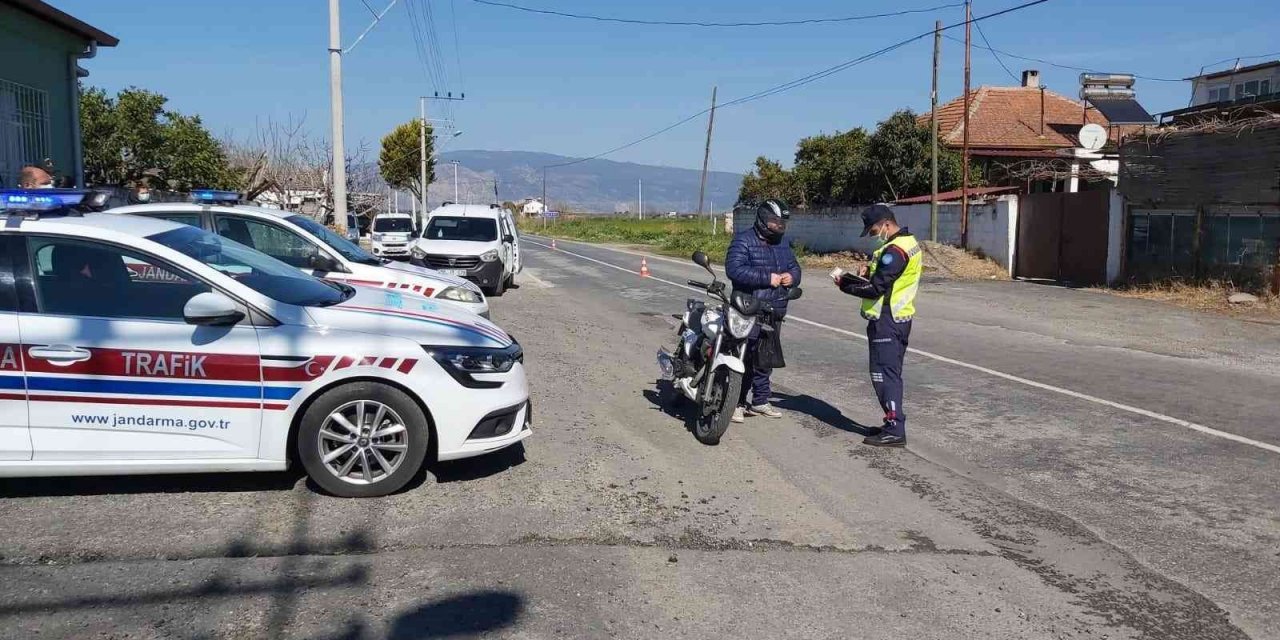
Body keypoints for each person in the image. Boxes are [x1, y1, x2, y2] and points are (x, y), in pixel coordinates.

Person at [834, 204, 922, 447]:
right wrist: (869, 269)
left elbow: (877, 288)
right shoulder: (907, 242)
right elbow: (889, 277)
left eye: (873, 231)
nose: (873, 235)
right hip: (899, 317)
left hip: (887, 320)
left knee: (884, 374)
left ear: (886, 224)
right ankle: (892, 422)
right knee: (889, 372)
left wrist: (845, 284)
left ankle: (895, 428)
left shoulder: (894, 251)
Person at [725, 199, 801, 423]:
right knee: (743, 358)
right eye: (775, 222)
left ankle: (760, 401)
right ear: (763, 220)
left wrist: (792, 277)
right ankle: (736, 402)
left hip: (774, 310)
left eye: (782, 222)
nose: (779, 226)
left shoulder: (783, 244)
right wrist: (768, 278)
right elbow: (734, 270)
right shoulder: (743, 241)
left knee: (765, 360)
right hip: (748, 309)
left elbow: (795, 267)